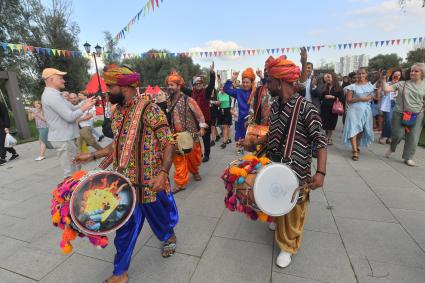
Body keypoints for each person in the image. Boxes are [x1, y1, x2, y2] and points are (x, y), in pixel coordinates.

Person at [75, 65, 178, 283]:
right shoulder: (118, 111)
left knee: (162, 219)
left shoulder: (150, 109)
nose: (107, 91)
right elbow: (118, 145)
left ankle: (169, 236)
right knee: (125, 231)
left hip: (151, 184)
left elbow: (169, 142)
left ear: (125, 86)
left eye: (110, 86)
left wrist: (162, 173)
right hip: (124, 187)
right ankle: (120, 272)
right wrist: (92, 156)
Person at [244, 49, 327, 269]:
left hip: (297, 170)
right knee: (276, 198)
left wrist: (320, 172)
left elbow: (320, 141)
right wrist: (255, 143)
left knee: (294, 207)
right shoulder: (276, 106)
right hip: (275, 164)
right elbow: (273, 134)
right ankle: (278, 221)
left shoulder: (306, 108)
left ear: (280, 82)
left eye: (270, 80)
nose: (267, 84)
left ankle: (288, 246)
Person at [41, 68, 96, 177]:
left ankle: (76, 192)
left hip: (66, 138)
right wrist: (84, 108)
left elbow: (73, 108)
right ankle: (72, 193)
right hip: (63, 139)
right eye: (60, 78)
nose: (63, 81)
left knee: (76, 168)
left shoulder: (56, 94)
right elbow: (69, 117)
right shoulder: (51, 96)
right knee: (71, 173)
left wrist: (86, 102)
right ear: (51, 79)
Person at [166, 71, 207, 192]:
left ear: (179, 86)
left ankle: (194, 171)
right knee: (178, 159)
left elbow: (199, 114)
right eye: (169, 85)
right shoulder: (167, 101)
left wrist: (202, 127)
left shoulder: (188, 99)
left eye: (172, 85)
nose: (170, 87)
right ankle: (180, 183)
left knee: (194, 157)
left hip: (191, 134)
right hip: (175, 135)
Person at [382, 63, 425, 166]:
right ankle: (392, 148)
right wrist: (384, 80)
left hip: (417, 114)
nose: (412, 72)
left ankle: (408, 157)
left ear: (422, 73)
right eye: (411, 71)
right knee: (397, 135)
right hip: (400, 113)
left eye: (416, 71)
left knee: (413, 137)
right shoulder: (402, 84)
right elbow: (387, 89)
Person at [182, 63, 215, 162]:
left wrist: (212, 74)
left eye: (200, 83)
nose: (198, 85)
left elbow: (211, 84)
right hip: (194, 120)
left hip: (205, 120)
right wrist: (177, 78)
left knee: (205, 139)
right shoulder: (191, 93)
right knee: (195, 139)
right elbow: (182, 88)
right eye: (196, 84)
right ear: (194, 85)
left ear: (202, 84)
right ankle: (198, 153)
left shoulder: (206, 92)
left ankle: (207, 155)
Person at [342, 68, 375, 161]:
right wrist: (361, 99)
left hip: (366, 110)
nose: (361, 75)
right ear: (356, 75)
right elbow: (348, 100)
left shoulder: (370, 86)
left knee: (361, 129)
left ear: (366, 74)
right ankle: (355, 151)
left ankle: (356, 144)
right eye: (359, 74)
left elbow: (373, 97)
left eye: (363, 73)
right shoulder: (352, 87)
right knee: (353, 128)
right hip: (353, 110)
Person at [224, 67, 256, 155]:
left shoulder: (255, 92)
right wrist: (232, 78)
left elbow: (266, 89)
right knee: (239, 140)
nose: (245, 84)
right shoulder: (238, 92)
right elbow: (225, 89)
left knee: (251, 144)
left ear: (251, 83)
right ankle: (240, 151)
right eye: (244, 82)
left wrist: (262, 76)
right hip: (240, 120)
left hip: (252, 121)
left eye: (247, 82)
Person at [376, 70, 402, 144]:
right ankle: (384, 136)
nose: (397, 77)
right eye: (395, 75)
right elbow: (383, 92)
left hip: (398, 104)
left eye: (399, 75)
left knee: (395, 122)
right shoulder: (387, 83)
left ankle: (390, 136)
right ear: (392, 75)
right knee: (388, 120)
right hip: (388, 104)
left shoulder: (402, 84)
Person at [319, 73, 343, 145]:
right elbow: (320, 97)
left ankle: (329, 138)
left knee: (331, 123)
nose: (327, 79)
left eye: (329, 77)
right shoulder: (324, 87)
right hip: (324, 108)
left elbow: (342, 99)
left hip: (333, 109)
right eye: (326, 77)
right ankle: (326, 136)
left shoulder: (338, 88)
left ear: (333, 78)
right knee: (325, 123)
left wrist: (333, 97)